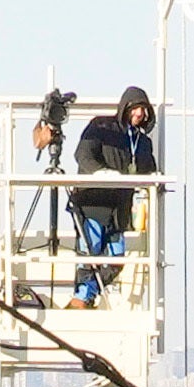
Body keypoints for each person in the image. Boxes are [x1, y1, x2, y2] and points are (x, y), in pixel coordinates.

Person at [67, 88, 150, 300]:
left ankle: (85, 296)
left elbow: (148, 169)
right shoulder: (101, 126)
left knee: (117, 259)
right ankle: (82, 297)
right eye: (135, 108)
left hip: (119, 210)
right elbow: (83, 154)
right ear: (126, 108)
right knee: (90, 252)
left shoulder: (143, 142)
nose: (139, 114)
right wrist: (100, 171)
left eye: (143, 110)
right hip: (92, 204)